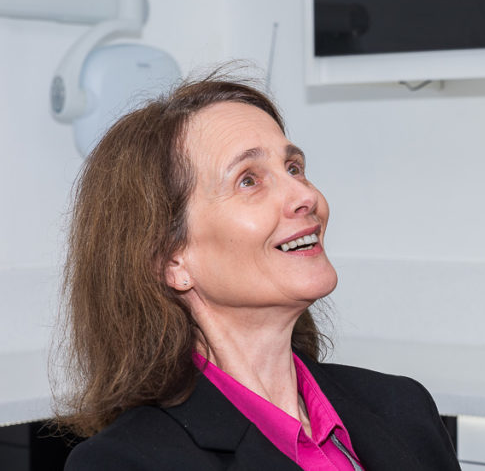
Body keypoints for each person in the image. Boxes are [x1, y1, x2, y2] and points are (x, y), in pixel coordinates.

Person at [57, 74, 460, 470]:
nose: (306, 196)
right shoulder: (126, 462)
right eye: (248, 180)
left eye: (294, 168)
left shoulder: (405, 408)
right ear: (171, 261)